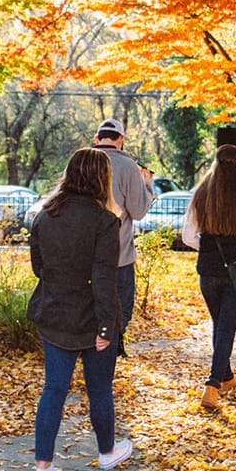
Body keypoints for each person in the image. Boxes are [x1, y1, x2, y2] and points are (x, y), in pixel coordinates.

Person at [27, 147, 133, 471]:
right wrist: (106, 327)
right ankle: (106, 452)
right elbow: (105, 278)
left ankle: (43, 467)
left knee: (53, 389)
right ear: (101, 178)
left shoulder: (44, 215)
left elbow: (38, 268)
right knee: (99, 388)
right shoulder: (105, 221)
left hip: (53, 314)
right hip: (91, 319)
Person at [181, 144, 236, 410]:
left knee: (221, 325)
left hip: (207, 273)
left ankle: (227, 376)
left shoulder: (201, 195)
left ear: (215, 165)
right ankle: (212, 386)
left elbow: (187, 237)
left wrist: (207, 249)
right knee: (226, 327)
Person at [92, 118, 155, 356]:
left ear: (97, 139)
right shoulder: (128, 166)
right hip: (119, 254)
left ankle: (93, 348)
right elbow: (138, 211)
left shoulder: (80, 162)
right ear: (121, 140)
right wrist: (148, 186)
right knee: (121, 307)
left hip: (84, 252)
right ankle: (114, 345)